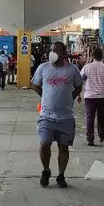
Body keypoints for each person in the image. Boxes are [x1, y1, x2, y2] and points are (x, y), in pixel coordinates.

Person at [32, 41, 83, 188]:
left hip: (65, 117)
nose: (52, 53)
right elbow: (36, 85)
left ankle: (61, 175)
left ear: (63, 53)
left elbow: (79, 86)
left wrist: (70, 98)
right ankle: (46, 170)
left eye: (55, 50)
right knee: (44, 143)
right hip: (46, 116)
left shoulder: (72, 70)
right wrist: (44, 97)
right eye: (51, 50)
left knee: (63, 147)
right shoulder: (43, 68)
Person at [80, 47, 104, 146]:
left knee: (90, 117)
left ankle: (90, 139)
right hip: (102, 97)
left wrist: (78, 94)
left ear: (92, 56)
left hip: (89, 97)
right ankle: (101, 135)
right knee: (101, 116)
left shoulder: (86, 67)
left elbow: (80, 81)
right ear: (102, 56)